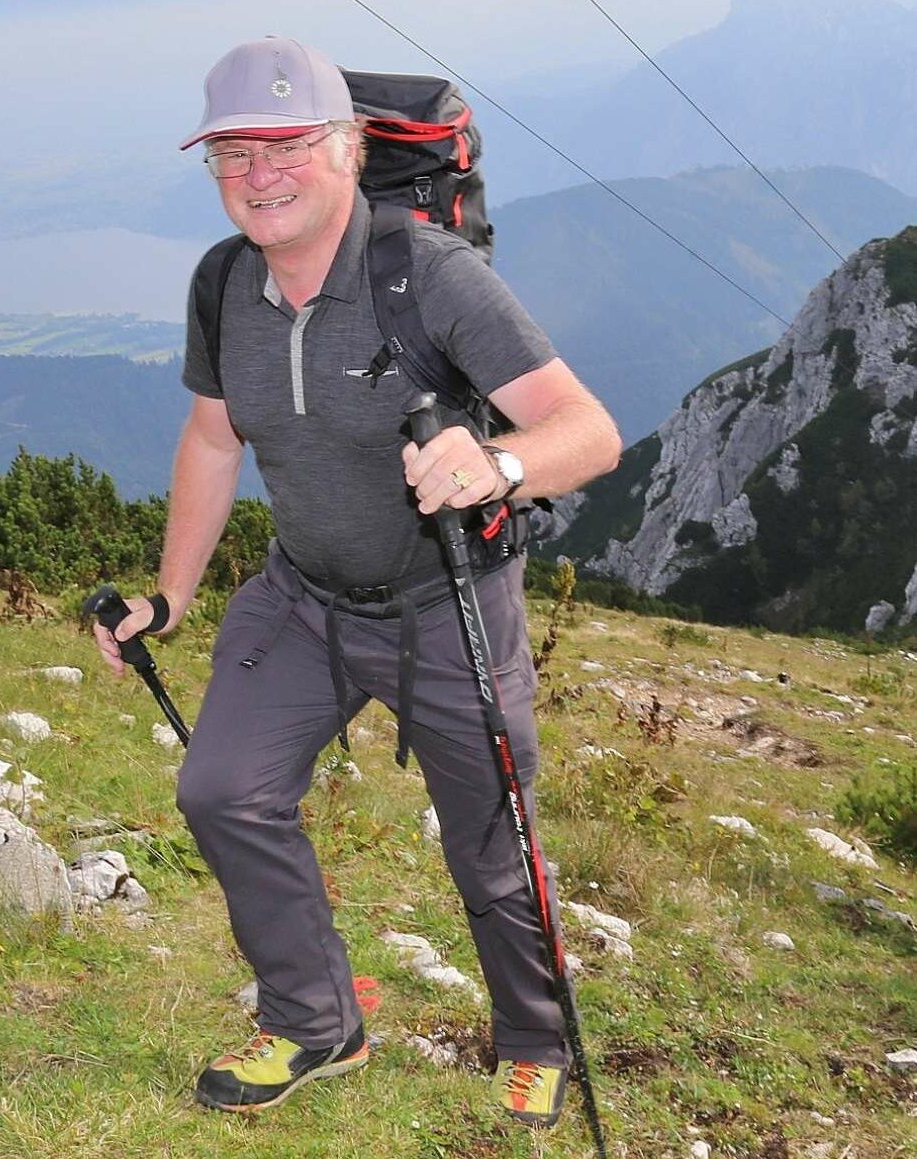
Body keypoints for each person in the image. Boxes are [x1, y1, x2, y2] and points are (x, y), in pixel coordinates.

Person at [92, 38, 622, 1128]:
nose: (260, 173)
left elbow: (591, 430)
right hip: (303, 597)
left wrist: (503, 464)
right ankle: (316, 1018)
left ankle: (531, 1034)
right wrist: (173, 596)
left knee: (491, 842)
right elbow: (209, 440)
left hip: (449, 604)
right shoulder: (223, 283)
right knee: (220, 789)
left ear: (347, 149)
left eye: (286, 145)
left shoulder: (429, 276)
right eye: (233, 153)